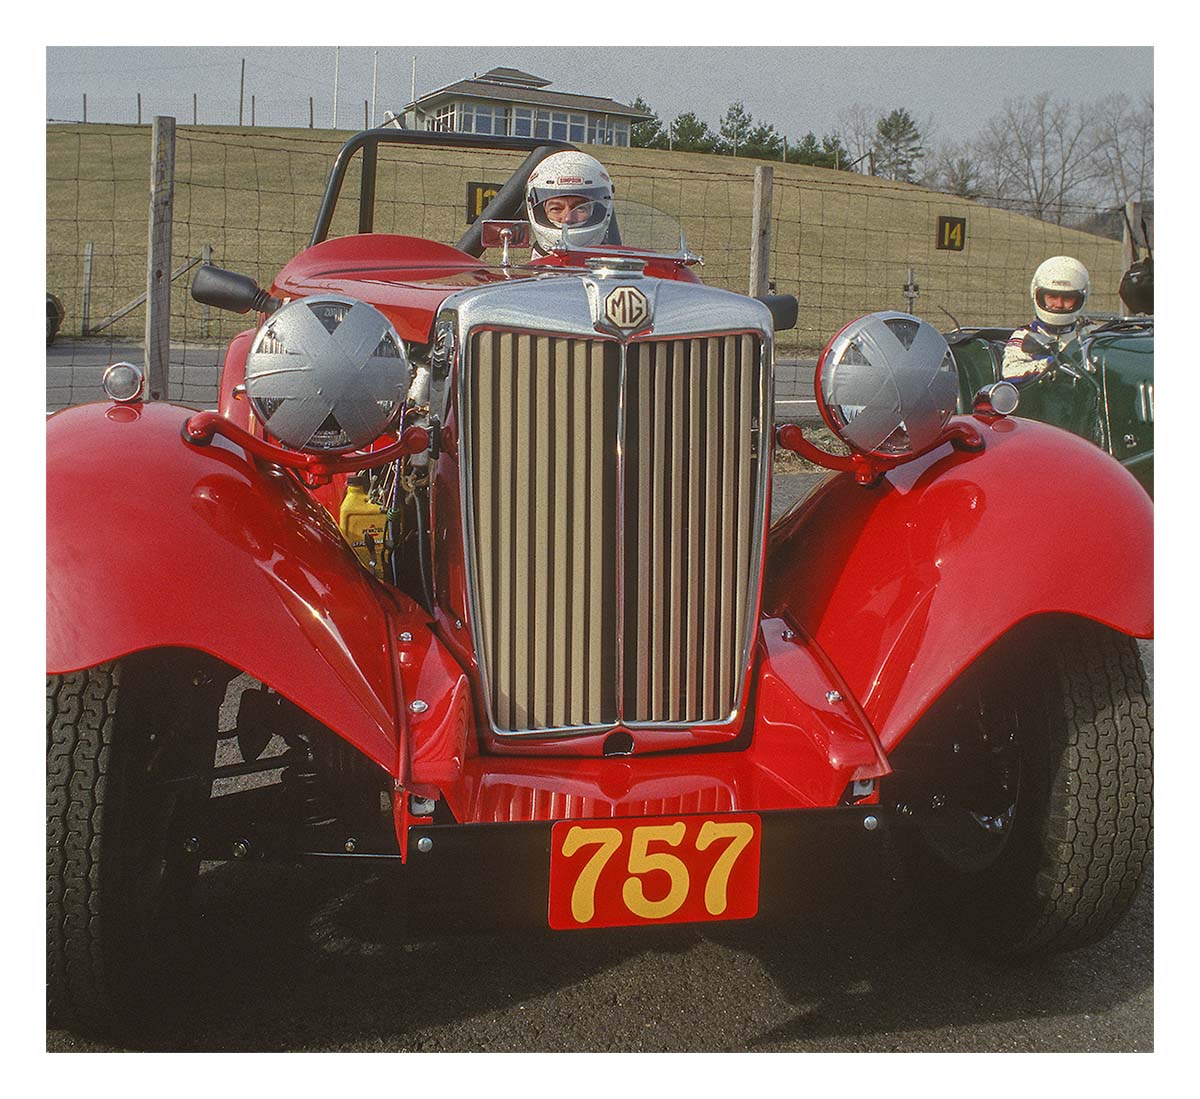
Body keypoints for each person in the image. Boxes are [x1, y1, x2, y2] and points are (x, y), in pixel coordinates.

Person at [1002, 256, 1091, 378]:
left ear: (1081, 299)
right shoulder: (1025, 335)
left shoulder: (1090, 332)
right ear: (1038, 295)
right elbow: (1010, 373)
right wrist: (1051, 364)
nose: (1059, 305)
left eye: (1068, 298)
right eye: (1052, 297)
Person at [525, 150, 614, 256]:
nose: (567, 218)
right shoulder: (522, 271)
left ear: (597, 211)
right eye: (556, 209)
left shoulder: (614, 270)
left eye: (580, 208)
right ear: (541, 212)